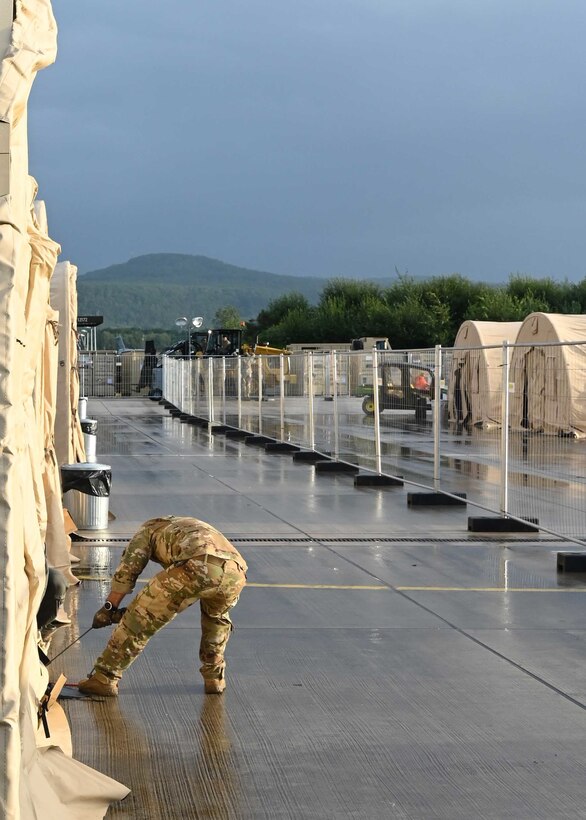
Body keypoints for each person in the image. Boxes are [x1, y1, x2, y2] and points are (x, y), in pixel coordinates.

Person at [78, 516, 247, 697]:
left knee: (140, 616)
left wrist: (109, 608)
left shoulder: (147, 530)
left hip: (199, 564)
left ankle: (104, 678)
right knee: (216, 618)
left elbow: (128, 570)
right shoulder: (187, 526)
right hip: (235, 572)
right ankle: (214, 678)